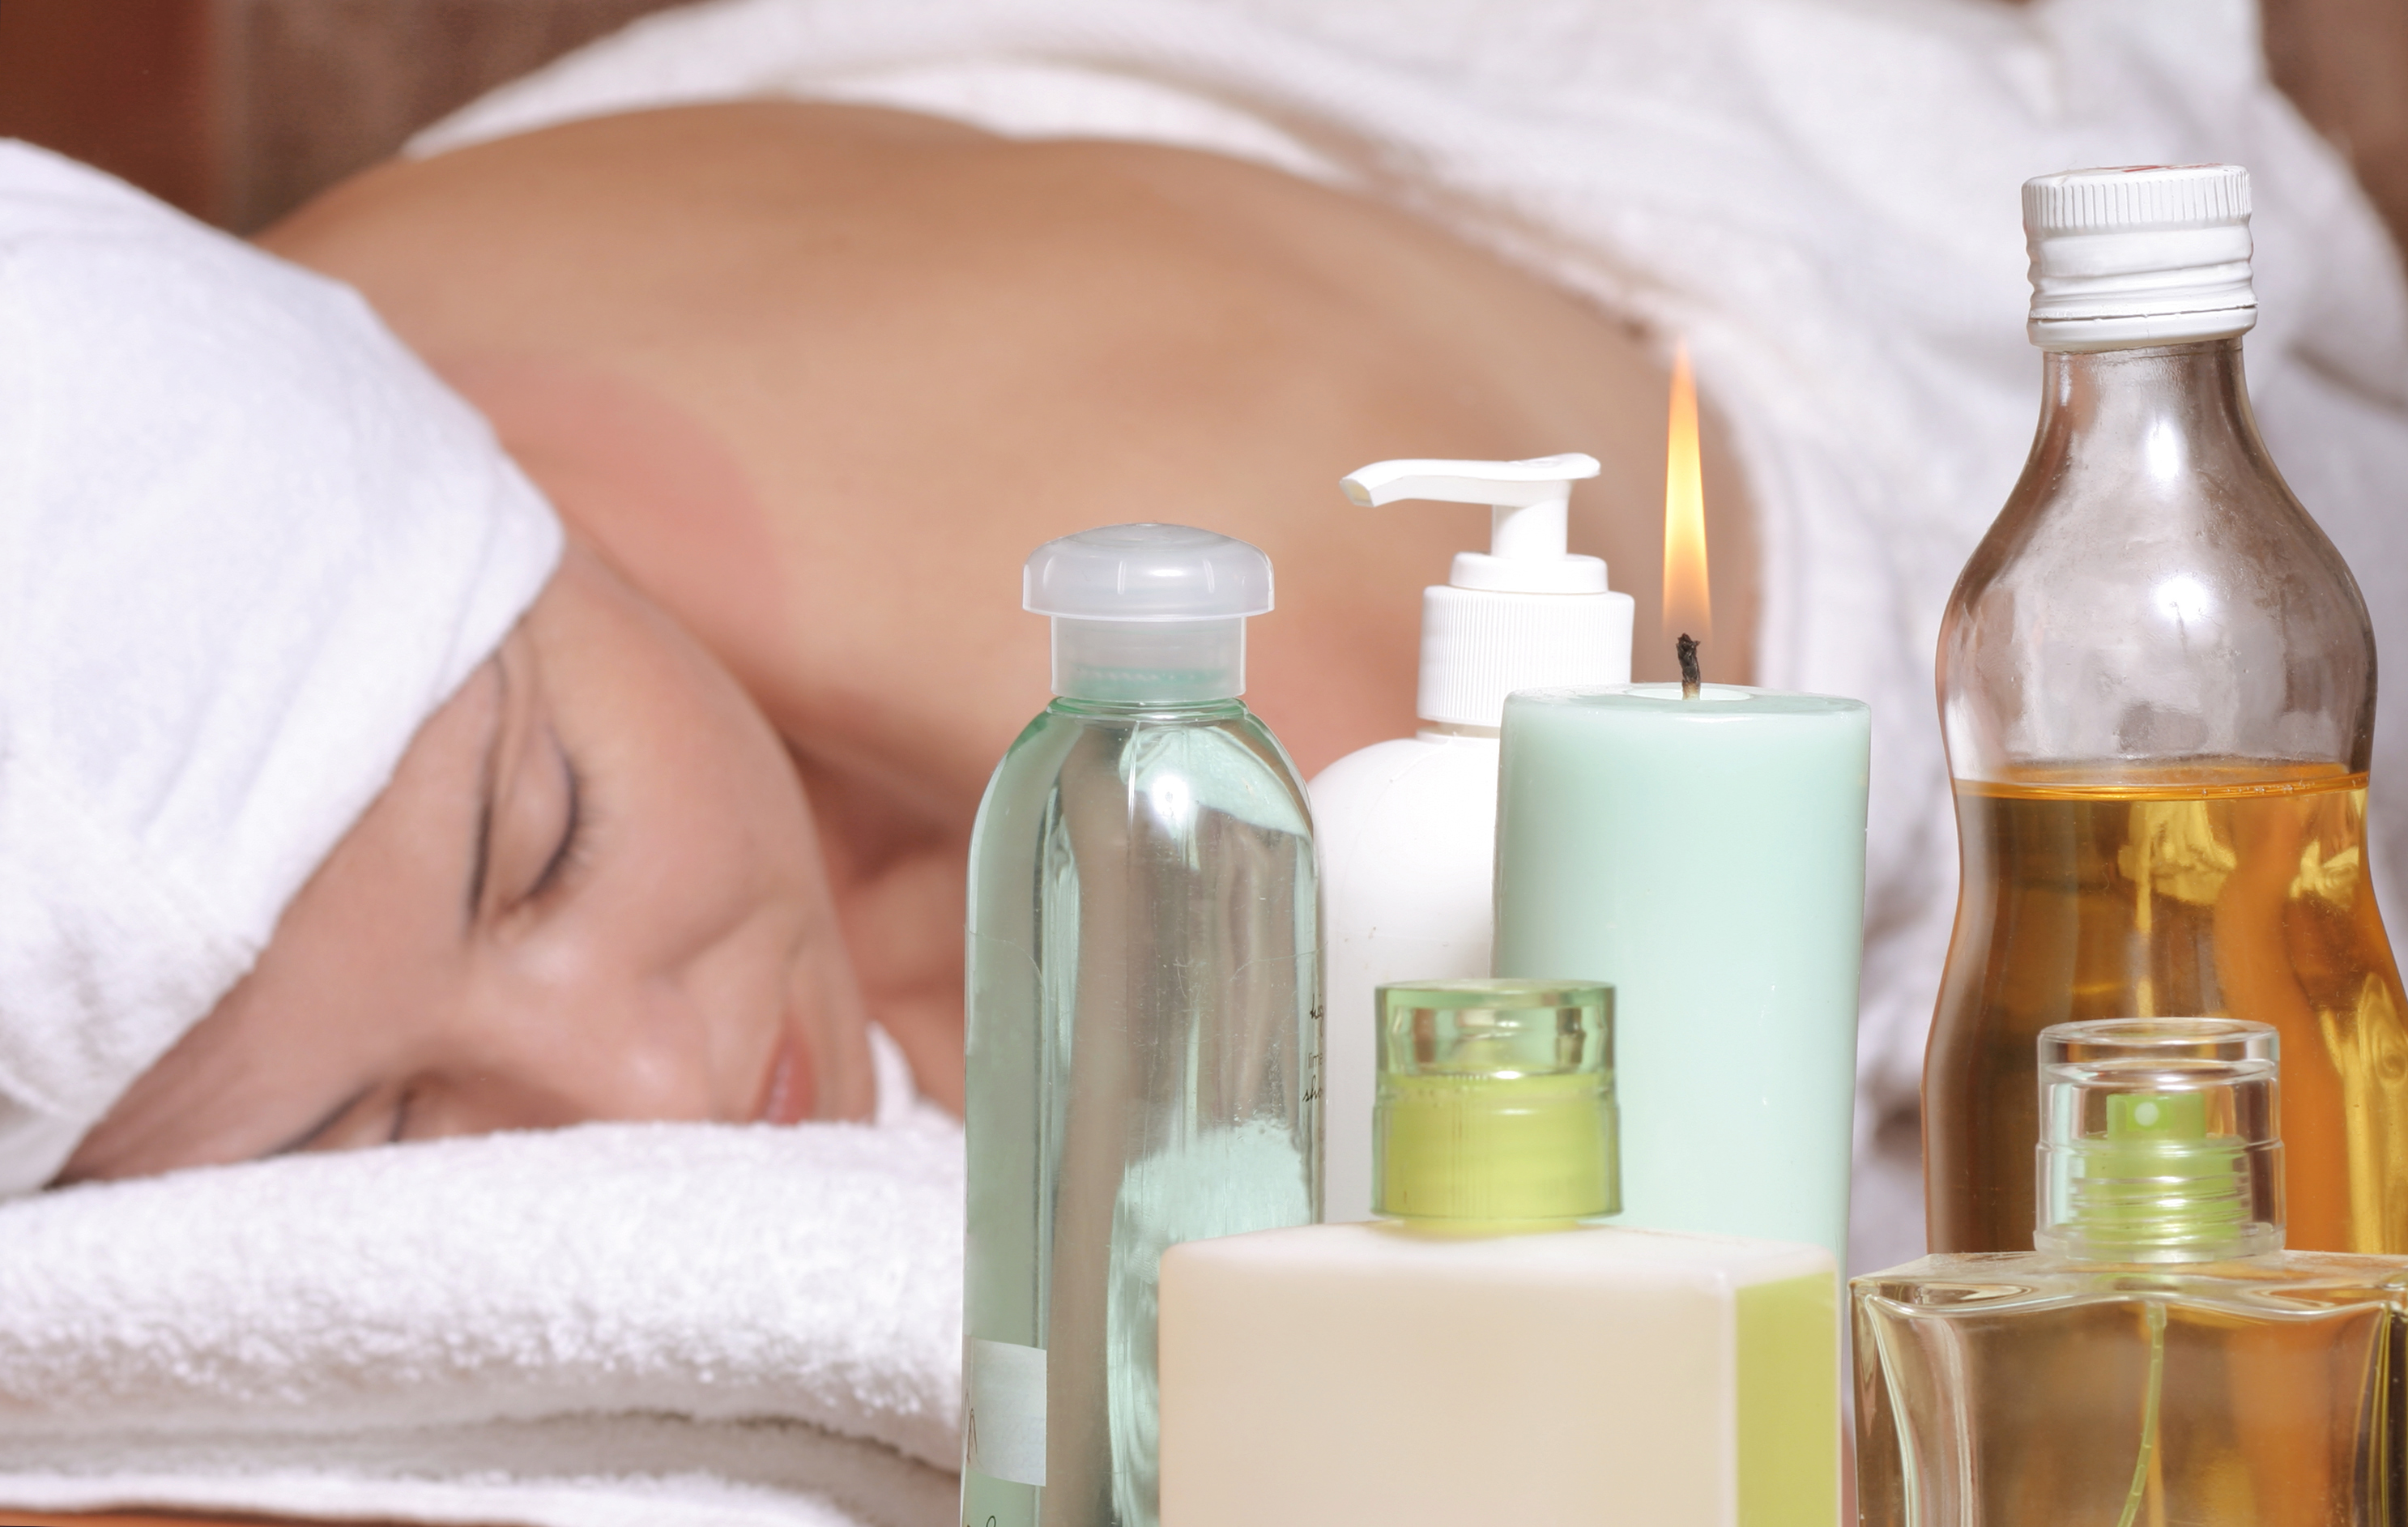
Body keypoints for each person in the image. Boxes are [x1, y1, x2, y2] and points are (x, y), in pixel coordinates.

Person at [42, 102, 1758, 1184]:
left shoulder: (1285, 749)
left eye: (555, 845)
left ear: (525, 513)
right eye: (380, 1135)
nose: (647, 1090)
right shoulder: (109, 561)